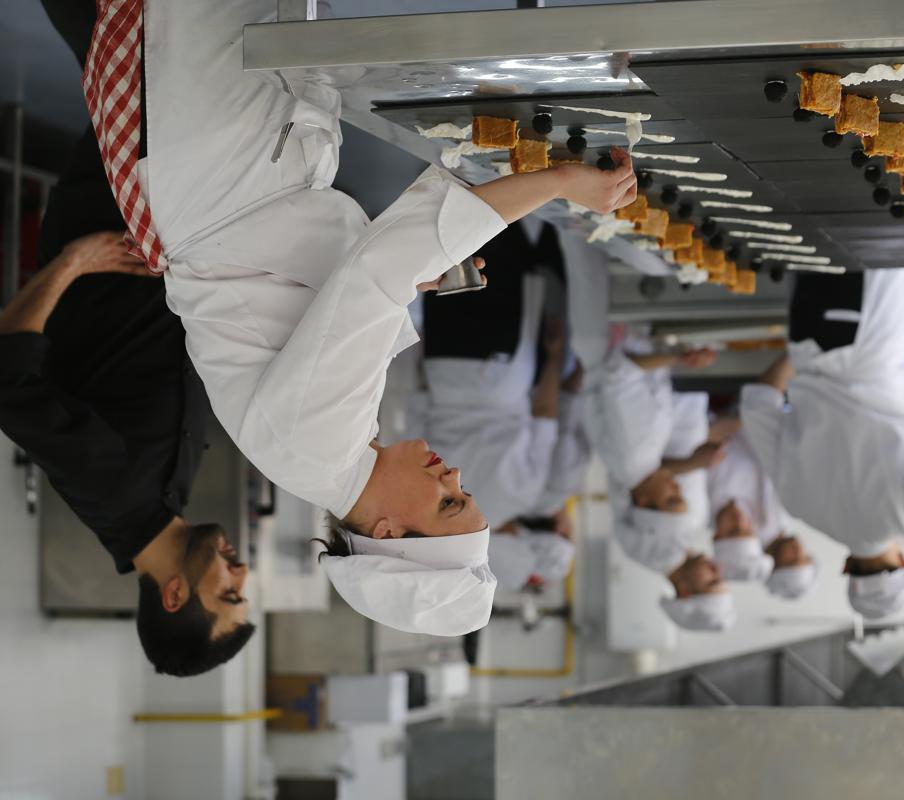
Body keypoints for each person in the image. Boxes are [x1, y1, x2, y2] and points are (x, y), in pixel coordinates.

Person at [83, 0, 637, 633]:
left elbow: (375, 275)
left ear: (387, 531)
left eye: (448, 501)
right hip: (236, 186)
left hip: (222, 171)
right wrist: (424, 273)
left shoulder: (320, 450)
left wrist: (562, 183)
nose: (453, 474)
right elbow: (334, 296)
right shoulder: (336, 455)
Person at [0, 0, 255, 678]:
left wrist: (73, 262)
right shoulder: (166, 494)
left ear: (175, 596)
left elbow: (6, 385)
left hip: (106, 215)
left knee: (137, 58)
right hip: (158, 211)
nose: (242, 571)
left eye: (227, 594)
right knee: (146, 59)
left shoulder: (113, 494)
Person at [740, 268, 904, 619]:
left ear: (903, 561)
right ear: (847, 567)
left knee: (882, 226)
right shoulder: (798, 506)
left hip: (874, 332)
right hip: (805, 332)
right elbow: (756, 404)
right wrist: (808, 359)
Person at [419, 220, 581, 592]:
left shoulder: (523, 493)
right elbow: (417, 413)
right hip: (442, 369)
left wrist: (554, 357)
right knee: (451, 254)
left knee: (498, 247)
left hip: (500, 374)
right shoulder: (439, 500)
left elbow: (543, 415)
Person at [709, 433, 820, 599]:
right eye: (805, 556)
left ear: (774, 565)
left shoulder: (749, 524)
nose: (798, 550)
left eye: (791, 561)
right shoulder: (782, 523)